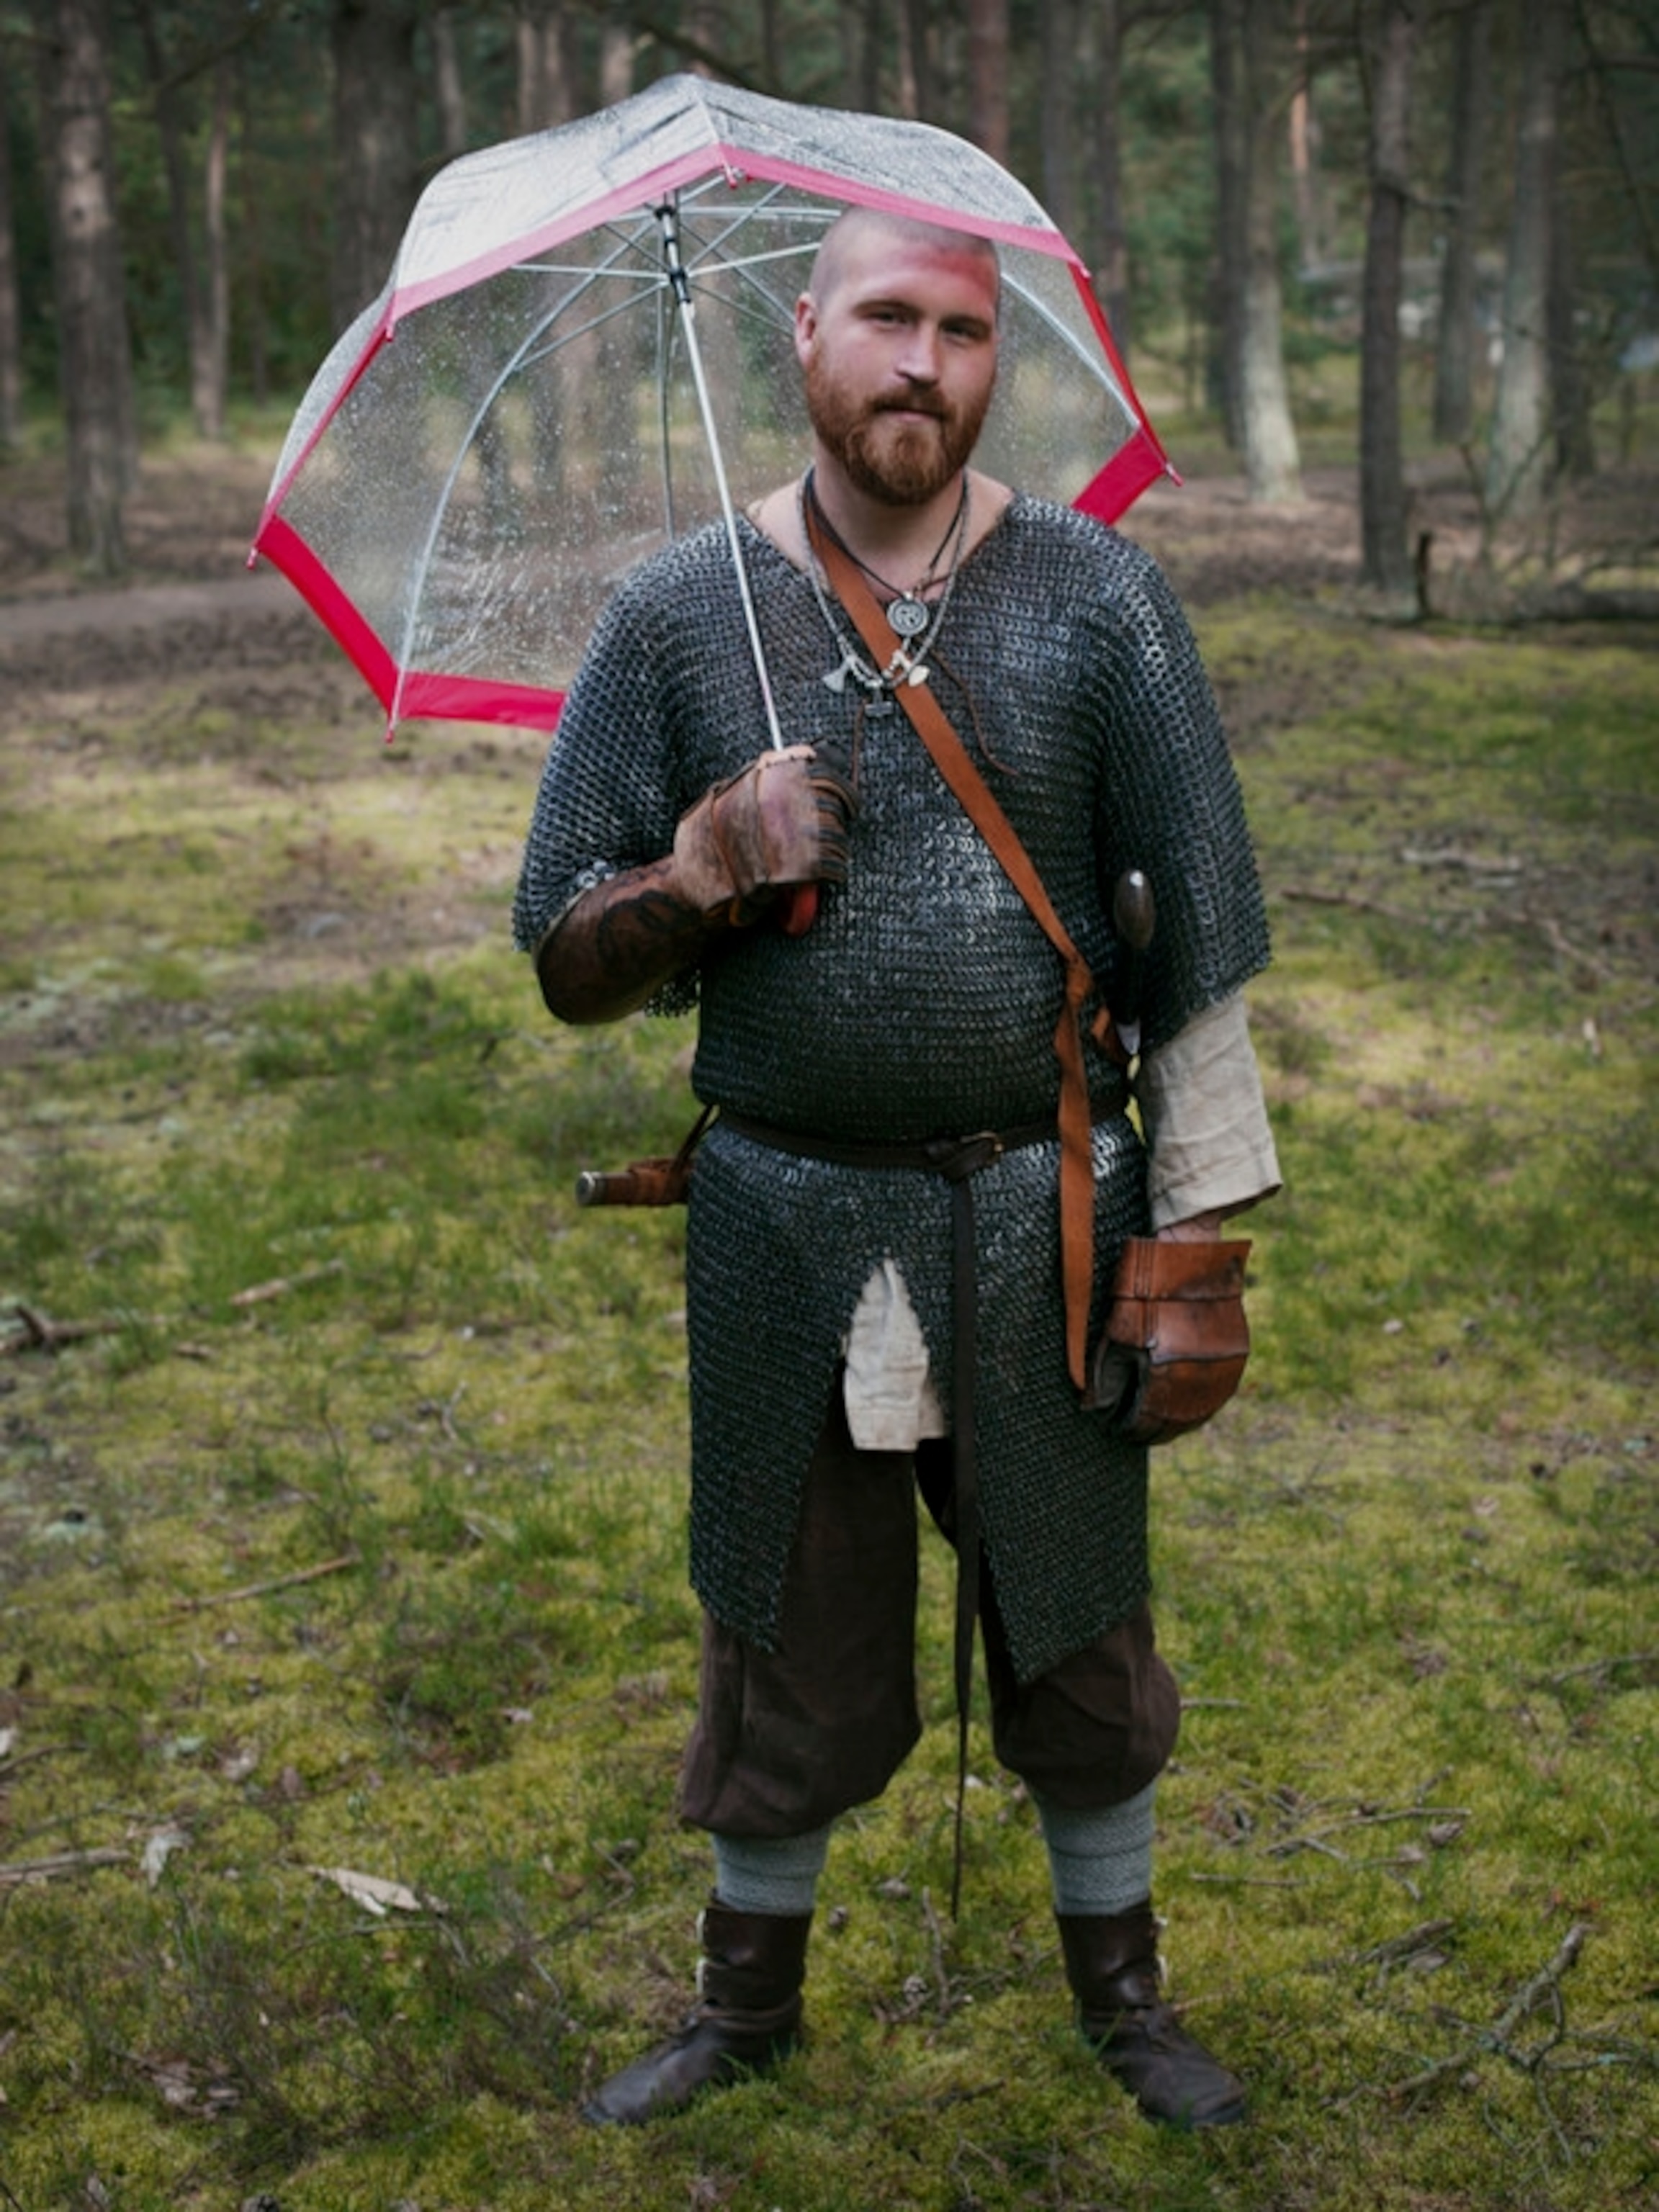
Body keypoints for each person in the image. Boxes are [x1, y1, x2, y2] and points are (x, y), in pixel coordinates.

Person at [513, 207, 1280, 2132]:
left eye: (961, 327)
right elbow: (562, 966)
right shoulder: (679, 616)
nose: (923, 362)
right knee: (784, 1629)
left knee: (1086, 1637)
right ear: (803, 334)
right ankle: (744, 2007)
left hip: (1045, 1208)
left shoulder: (1103, 598)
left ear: (993, 354)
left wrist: (1195, 1228)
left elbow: (1190, 940)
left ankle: (1127, 2000)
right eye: (886, 320)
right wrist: (695, 876)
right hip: (788, 1221)